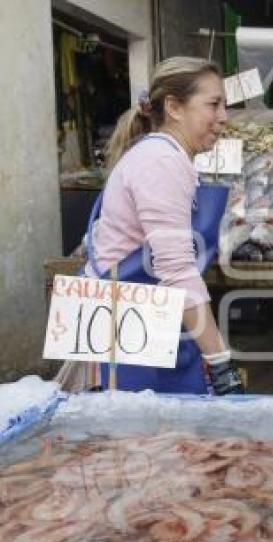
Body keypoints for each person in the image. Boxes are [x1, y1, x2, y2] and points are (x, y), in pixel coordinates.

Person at [87, 56, 243, 395]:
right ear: (174, 106)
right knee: (152, 441)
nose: (223, 118)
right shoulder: (161, 162)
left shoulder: (164, 156)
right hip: (135, 330)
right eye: (213, 104)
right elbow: (177, 270)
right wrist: (221, 363)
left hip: (150, 323)